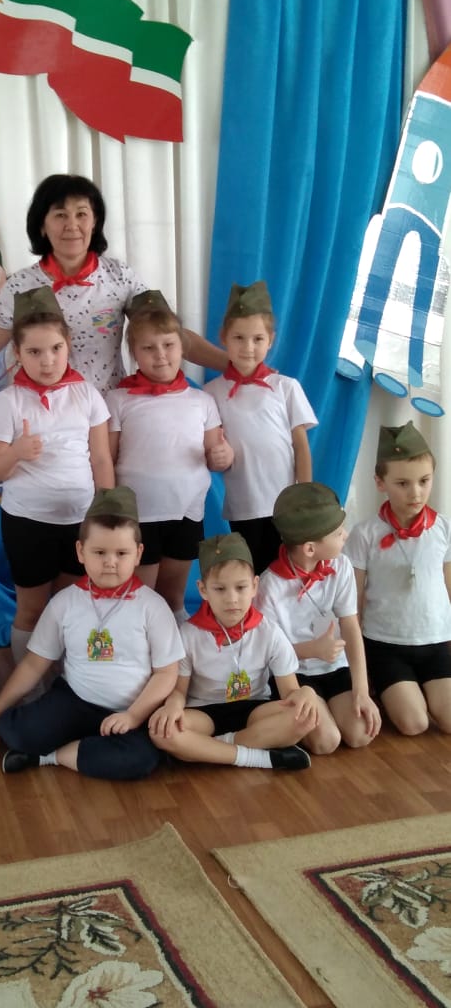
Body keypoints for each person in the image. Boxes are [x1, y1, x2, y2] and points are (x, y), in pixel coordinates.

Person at [0, 174, 227, 396]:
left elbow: (169, 334)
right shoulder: (20, 285)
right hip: (43, 416)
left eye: (81, 214)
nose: (72, 225)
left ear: (95, 222)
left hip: (108, 415)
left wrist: (234, 365)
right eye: (60, 215)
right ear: (42, 225)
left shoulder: (119, 276)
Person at [0, 487, 184, 780]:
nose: (110, 562)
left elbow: (166, 673)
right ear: (80, 552)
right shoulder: (65, 602)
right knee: (16, 732)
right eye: (99, 552)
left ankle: (51, 756)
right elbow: (34, 664)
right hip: (75, 700)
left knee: (140, 760)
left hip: (132, 708)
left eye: (121, 553)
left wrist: (133, 716)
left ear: (138, 554)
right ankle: (86, 748)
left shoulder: (153, 606)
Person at [0, 286, 114, 664]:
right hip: (28, 523)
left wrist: (107, 513)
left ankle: (69, 675)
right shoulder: (8, 402)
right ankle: (29, 685)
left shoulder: (86, 394)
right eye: (35, 352)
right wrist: (16, 453)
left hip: (79, 521)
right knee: (32, 609)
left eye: (55, 348)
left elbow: (101, 459)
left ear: (68, 345)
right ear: (17, 353)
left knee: (73, 605)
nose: (47, 361)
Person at [107, 291, 233, 620]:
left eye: (168, 345)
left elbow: (215, 455)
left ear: (182, 346)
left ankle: (176, 649)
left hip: (186, 512)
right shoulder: (119, 399)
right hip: (138, 514)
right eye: (148, 348)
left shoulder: (202, 401)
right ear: (134, 352)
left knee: (173, 596)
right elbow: (107, 457)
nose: (160, 355)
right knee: (140, 598)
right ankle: (139, 648)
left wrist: (222, 456)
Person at [148, 533, 316, 770]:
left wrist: (305, 693)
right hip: (204, 712)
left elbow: (290, 692)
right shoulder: (188, 634)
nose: (232, 599)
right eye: (219, 589)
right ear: (203, 589)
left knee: (303, 718)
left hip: (255, 708)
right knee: (162, 732)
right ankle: (261, 757)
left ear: (255, 586)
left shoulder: (269, 632)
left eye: (241, 587)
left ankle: (211, 748)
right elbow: (179, 691)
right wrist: (173, 705)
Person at [256, 482, 381, 754]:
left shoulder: (341, 565)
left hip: (335, 667)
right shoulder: (269, 587)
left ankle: (330, 706)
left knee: (360, 733)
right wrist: (311, 650)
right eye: (337, 533)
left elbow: (350, 625)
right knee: (326, 741)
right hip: (293, 674)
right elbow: (267, 653)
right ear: (310, 549)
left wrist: (361, 691)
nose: (345, 535)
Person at [345, 422, 451, 735]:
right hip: (386, 644)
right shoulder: (365, 534)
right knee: (414, 724)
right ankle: (392, 689)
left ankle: (422, 691)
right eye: (403, 483)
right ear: (380, 482)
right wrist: (358, 661)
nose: (415, 492)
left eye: (424, 481)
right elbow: (354, 599)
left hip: (436, 641)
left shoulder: (444, 529)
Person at [204, 281, 317, 573]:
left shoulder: (285, 387)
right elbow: (212, 449)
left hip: (285, 504)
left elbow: (300, 446)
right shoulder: (211, 393)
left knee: (288, 571)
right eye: (239, 338)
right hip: (245, 504)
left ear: (270, 340)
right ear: (223, 338)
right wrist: (217, 456)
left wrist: (304, 496)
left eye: (257, 339)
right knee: (253, 572)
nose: (248, 347)